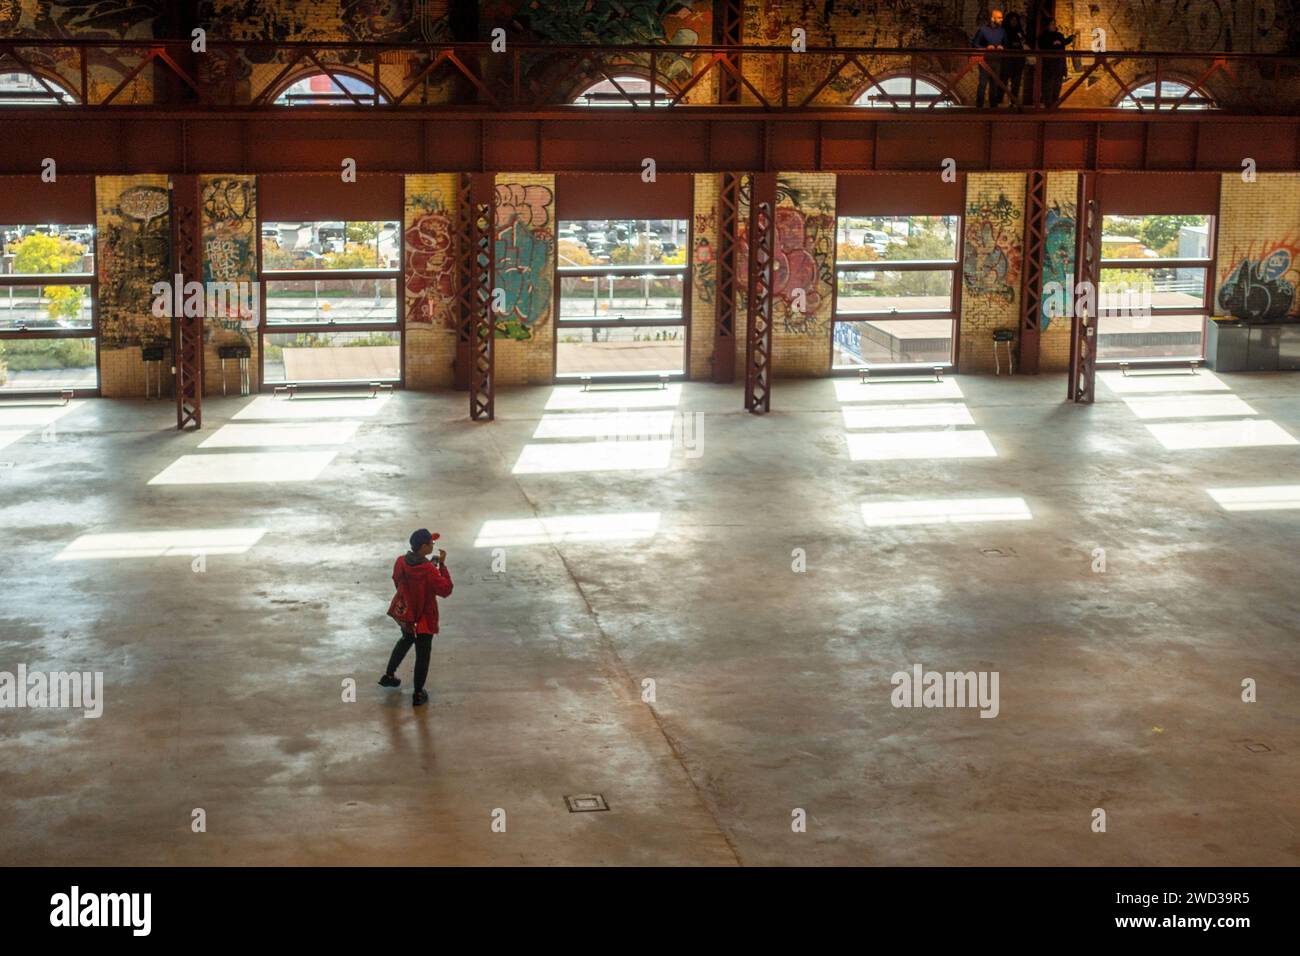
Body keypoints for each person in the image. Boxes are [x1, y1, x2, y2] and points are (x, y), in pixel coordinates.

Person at [379, 528, 453, 707]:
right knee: (422, 654)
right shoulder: (428, 570)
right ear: (423, 546)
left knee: (405, 639)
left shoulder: (401, 561)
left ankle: (389, 675)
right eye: (431, 543)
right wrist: (441, 567)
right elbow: (445, 590)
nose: (433, 545)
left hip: (407, 614)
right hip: (425, 618)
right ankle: (418, 693)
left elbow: (397, 580)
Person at [972, 9, 1007, 108]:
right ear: (992, 18)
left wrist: (1002, 47)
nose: (1001, 19)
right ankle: (979, 107)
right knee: (982, 84)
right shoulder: (983, 30)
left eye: (1002, 17)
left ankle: (993, 107)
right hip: (985, 61)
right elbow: (975, 44)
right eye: (999, 17)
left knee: (995, 85)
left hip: (997, 60)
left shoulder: (1002, 31)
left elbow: (1006, 44)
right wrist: (985, 48)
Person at [1038, 18, 1076, 108]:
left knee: (1057, 86)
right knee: (1048, 86)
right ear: (1047, 26)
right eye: (1052, 24)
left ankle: (1055, 105)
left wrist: (1070, 39)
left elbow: (1064, 42)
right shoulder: (1043, 36)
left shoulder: (1059, 35)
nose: (1054, 26)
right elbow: (1042, 45)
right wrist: (1053, 43)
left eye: (1054, 24)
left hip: (1059, 65)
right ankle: (1048, 105)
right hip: (1048, 66)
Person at [1001, 12, 1027, 105]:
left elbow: (1023, 41)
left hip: (1018, 61)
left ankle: (1013, 101)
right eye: (1012, 20)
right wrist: (1010, 45)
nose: (1014, 22)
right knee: (1003, 80)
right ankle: (999, 101)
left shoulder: (1019, 30)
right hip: (1007, 60)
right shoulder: (1004, 31)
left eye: (1016, 20)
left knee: (1016, 82)